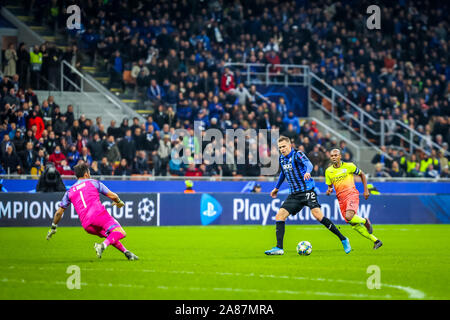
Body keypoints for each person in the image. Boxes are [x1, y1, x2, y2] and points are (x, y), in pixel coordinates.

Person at [265, 136, 351, 255]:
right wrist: (276, 188)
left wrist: (307, 172)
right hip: (294, 194)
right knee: (280, 215)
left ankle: (343, 239)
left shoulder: (298, 154)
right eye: (280, 147)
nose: (282, 149)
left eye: (284, 146)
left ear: (290, 145)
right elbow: (283, 174)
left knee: (318, 216)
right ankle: (279, 248)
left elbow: (309, 164)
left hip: (307, 191)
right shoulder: (282, 159)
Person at [46, 163, 138, 261]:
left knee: (110, 236)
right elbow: (113, 196)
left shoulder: (70, 191)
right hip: (98, 215)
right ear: (86, 174)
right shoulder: (94, 182)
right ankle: (101, 246)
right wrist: (119, 202)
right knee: (120, 232)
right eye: (89, 172)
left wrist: (53, 227)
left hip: (87, 225)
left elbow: (59, 212)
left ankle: (127, 253)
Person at [325, 149, 383, 250]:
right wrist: (329, 190)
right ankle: (376, 241)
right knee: (354, 224)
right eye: (332, 156)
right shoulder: (328, 171)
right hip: (341, 199)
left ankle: (365, 221)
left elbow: (362, 175)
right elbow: (330, 185)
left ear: (340, 157)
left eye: (335, 155)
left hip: (351, 194)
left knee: (349, 216)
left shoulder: (349, 166)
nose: (333, 157)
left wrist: (366, 190)